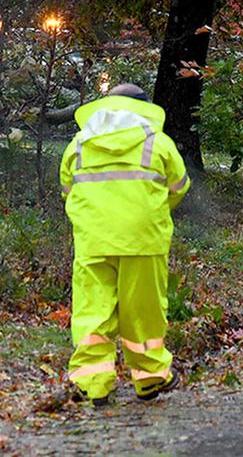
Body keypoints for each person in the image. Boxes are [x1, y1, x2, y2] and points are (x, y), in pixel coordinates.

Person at [60, 83, 190, 405]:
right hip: (144, 241)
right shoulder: (158, 143)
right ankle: (149, 378)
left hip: (93, 242)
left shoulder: (78, 145)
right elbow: (180, 187)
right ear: (144, 108)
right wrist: (150, 212)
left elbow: (67, 191)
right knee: (143, 311)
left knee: (93, 312)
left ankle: (94, 384)